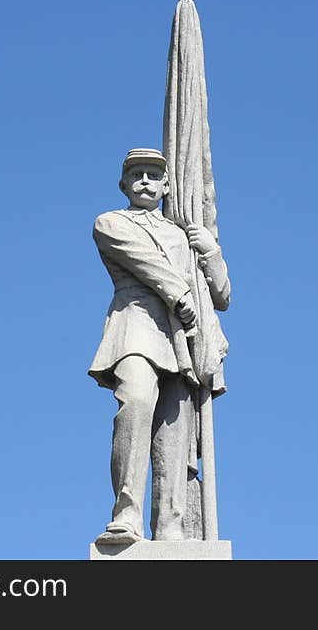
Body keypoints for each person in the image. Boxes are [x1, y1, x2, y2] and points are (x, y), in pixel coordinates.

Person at [89, 148, 231, 544]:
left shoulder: (184, 236)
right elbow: (147, 262)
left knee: (175, 433)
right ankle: (127, 513)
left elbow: (221, 296)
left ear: (167, 184)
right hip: (137, 327)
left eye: (154, 174)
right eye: (138, 175)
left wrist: (209, 249)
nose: (146, 181)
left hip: (182, 339)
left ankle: (171, 525)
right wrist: (180, 295)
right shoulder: (111, 223)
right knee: (134, 402)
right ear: (124, 185)